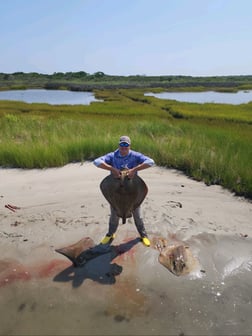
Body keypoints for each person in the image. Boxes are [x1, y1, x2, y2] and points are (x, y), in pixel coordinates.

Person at [93, 135, 155, 247]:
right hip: (115, 192)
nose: (124, 147)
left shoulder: (135, 156)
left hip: (133, 192)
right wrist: (112, 169)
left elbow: (150, 162)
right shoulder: (112, 156)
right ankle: (110, 234)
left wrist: (134, 170)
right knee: (114, 215)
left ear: (129, 146)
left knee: (137, 215)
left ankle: (143, 235)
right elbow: (96, 162)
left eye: (126, 145)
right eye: (122, 144)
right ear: (119, 145)